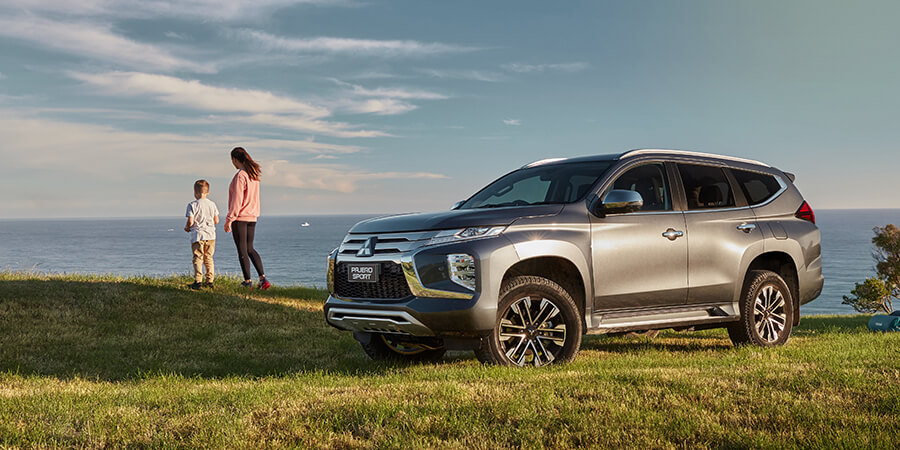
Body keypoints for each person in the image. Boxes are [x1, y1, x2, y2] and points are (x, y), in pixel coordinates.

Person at [224, 147, 271, 290]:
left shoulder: (241, 176)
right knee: (250, 248)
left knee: (242, 250)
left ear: (235, 159)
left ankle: (247, 281)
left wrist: (229, 219)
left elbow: (237, 200)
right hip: (252, 217)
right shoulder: (253, 175)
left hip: (241, 217)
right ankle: (263, 279)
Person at [184, 179, 219, 290]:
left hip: (198, 235)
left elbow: (190, 221)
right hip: (211, 235)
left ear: (195, 192)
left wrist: (187, 227)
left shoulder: (192, 205)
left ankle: (198, 281)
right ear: (208, 192)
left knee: (198, 257)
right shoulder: (212, 204)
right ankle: (210, 281)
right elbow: (216, 220)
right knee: (208, 258)